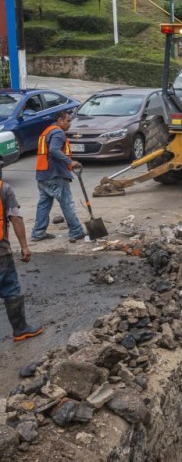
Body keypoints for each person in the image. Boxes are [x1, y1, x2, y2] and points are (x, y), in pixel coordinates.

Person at [0, 161, 42, 341]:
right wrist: (24, 246)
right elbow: (15, 218)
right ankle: (21, 329)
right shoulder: (4, 189)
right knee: (10, 287)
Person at [31, 110, 86, 243]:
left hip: (43, 174)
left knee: (44, 203)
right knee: (67, 203)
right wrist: (70, 162)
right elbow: (54, 150)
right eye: (68, 120)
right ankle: (76, 231)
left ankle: (38, 232)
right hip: (55, 174)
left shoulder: (47, 131)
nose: (70, 123)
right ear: (60, 120)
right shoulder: (57, 132)